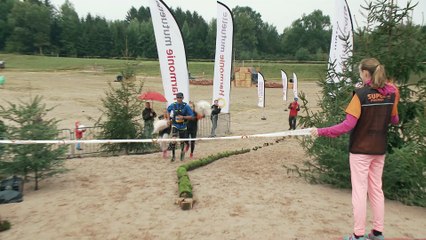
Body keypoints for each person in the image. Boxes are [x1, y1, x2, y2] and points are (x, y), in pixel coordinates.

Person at [310, 58, 399, 240]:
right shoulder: (392, 92)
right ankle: (377, 232)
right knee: (376, 189)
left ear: (366, 73)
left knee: (360, 191)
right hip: (379, 149)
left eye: (360, 72)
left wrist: (320, 131)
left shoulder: (360, 94)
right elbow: (394, 119)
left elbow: (346, 125)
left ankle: (358, 235)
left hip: (360, 150)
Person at [166, 92, 194, 162]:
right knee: (173, 140)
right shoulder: (173, 105)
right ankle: (173, 156)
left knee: (182, 141)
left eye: (180, 98)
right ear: (176, 98)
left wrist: (183, 117)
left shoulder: (186, 106)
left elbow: (192, 116)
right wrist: (168, 119)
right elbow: (168, 110)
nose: (179, 99)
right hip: (175, 125)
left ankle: (182, 153)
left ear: (182, 98)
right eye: (178, 98)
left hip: (183, 126)